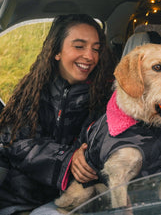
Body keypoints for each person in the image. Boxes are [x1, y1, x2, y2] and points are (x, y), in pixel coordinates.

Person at [0, 14, 115, 215]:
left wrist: (85, 159)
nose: (90, 56)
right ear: (57, 52)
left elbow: (107, 148)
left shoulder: (106, 100)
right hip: (20, 201)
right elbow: (17, 144)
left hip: (74, 202)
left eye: (96, 49)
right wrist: (67, 159)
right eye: (79, 46)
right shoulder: (33, 91)